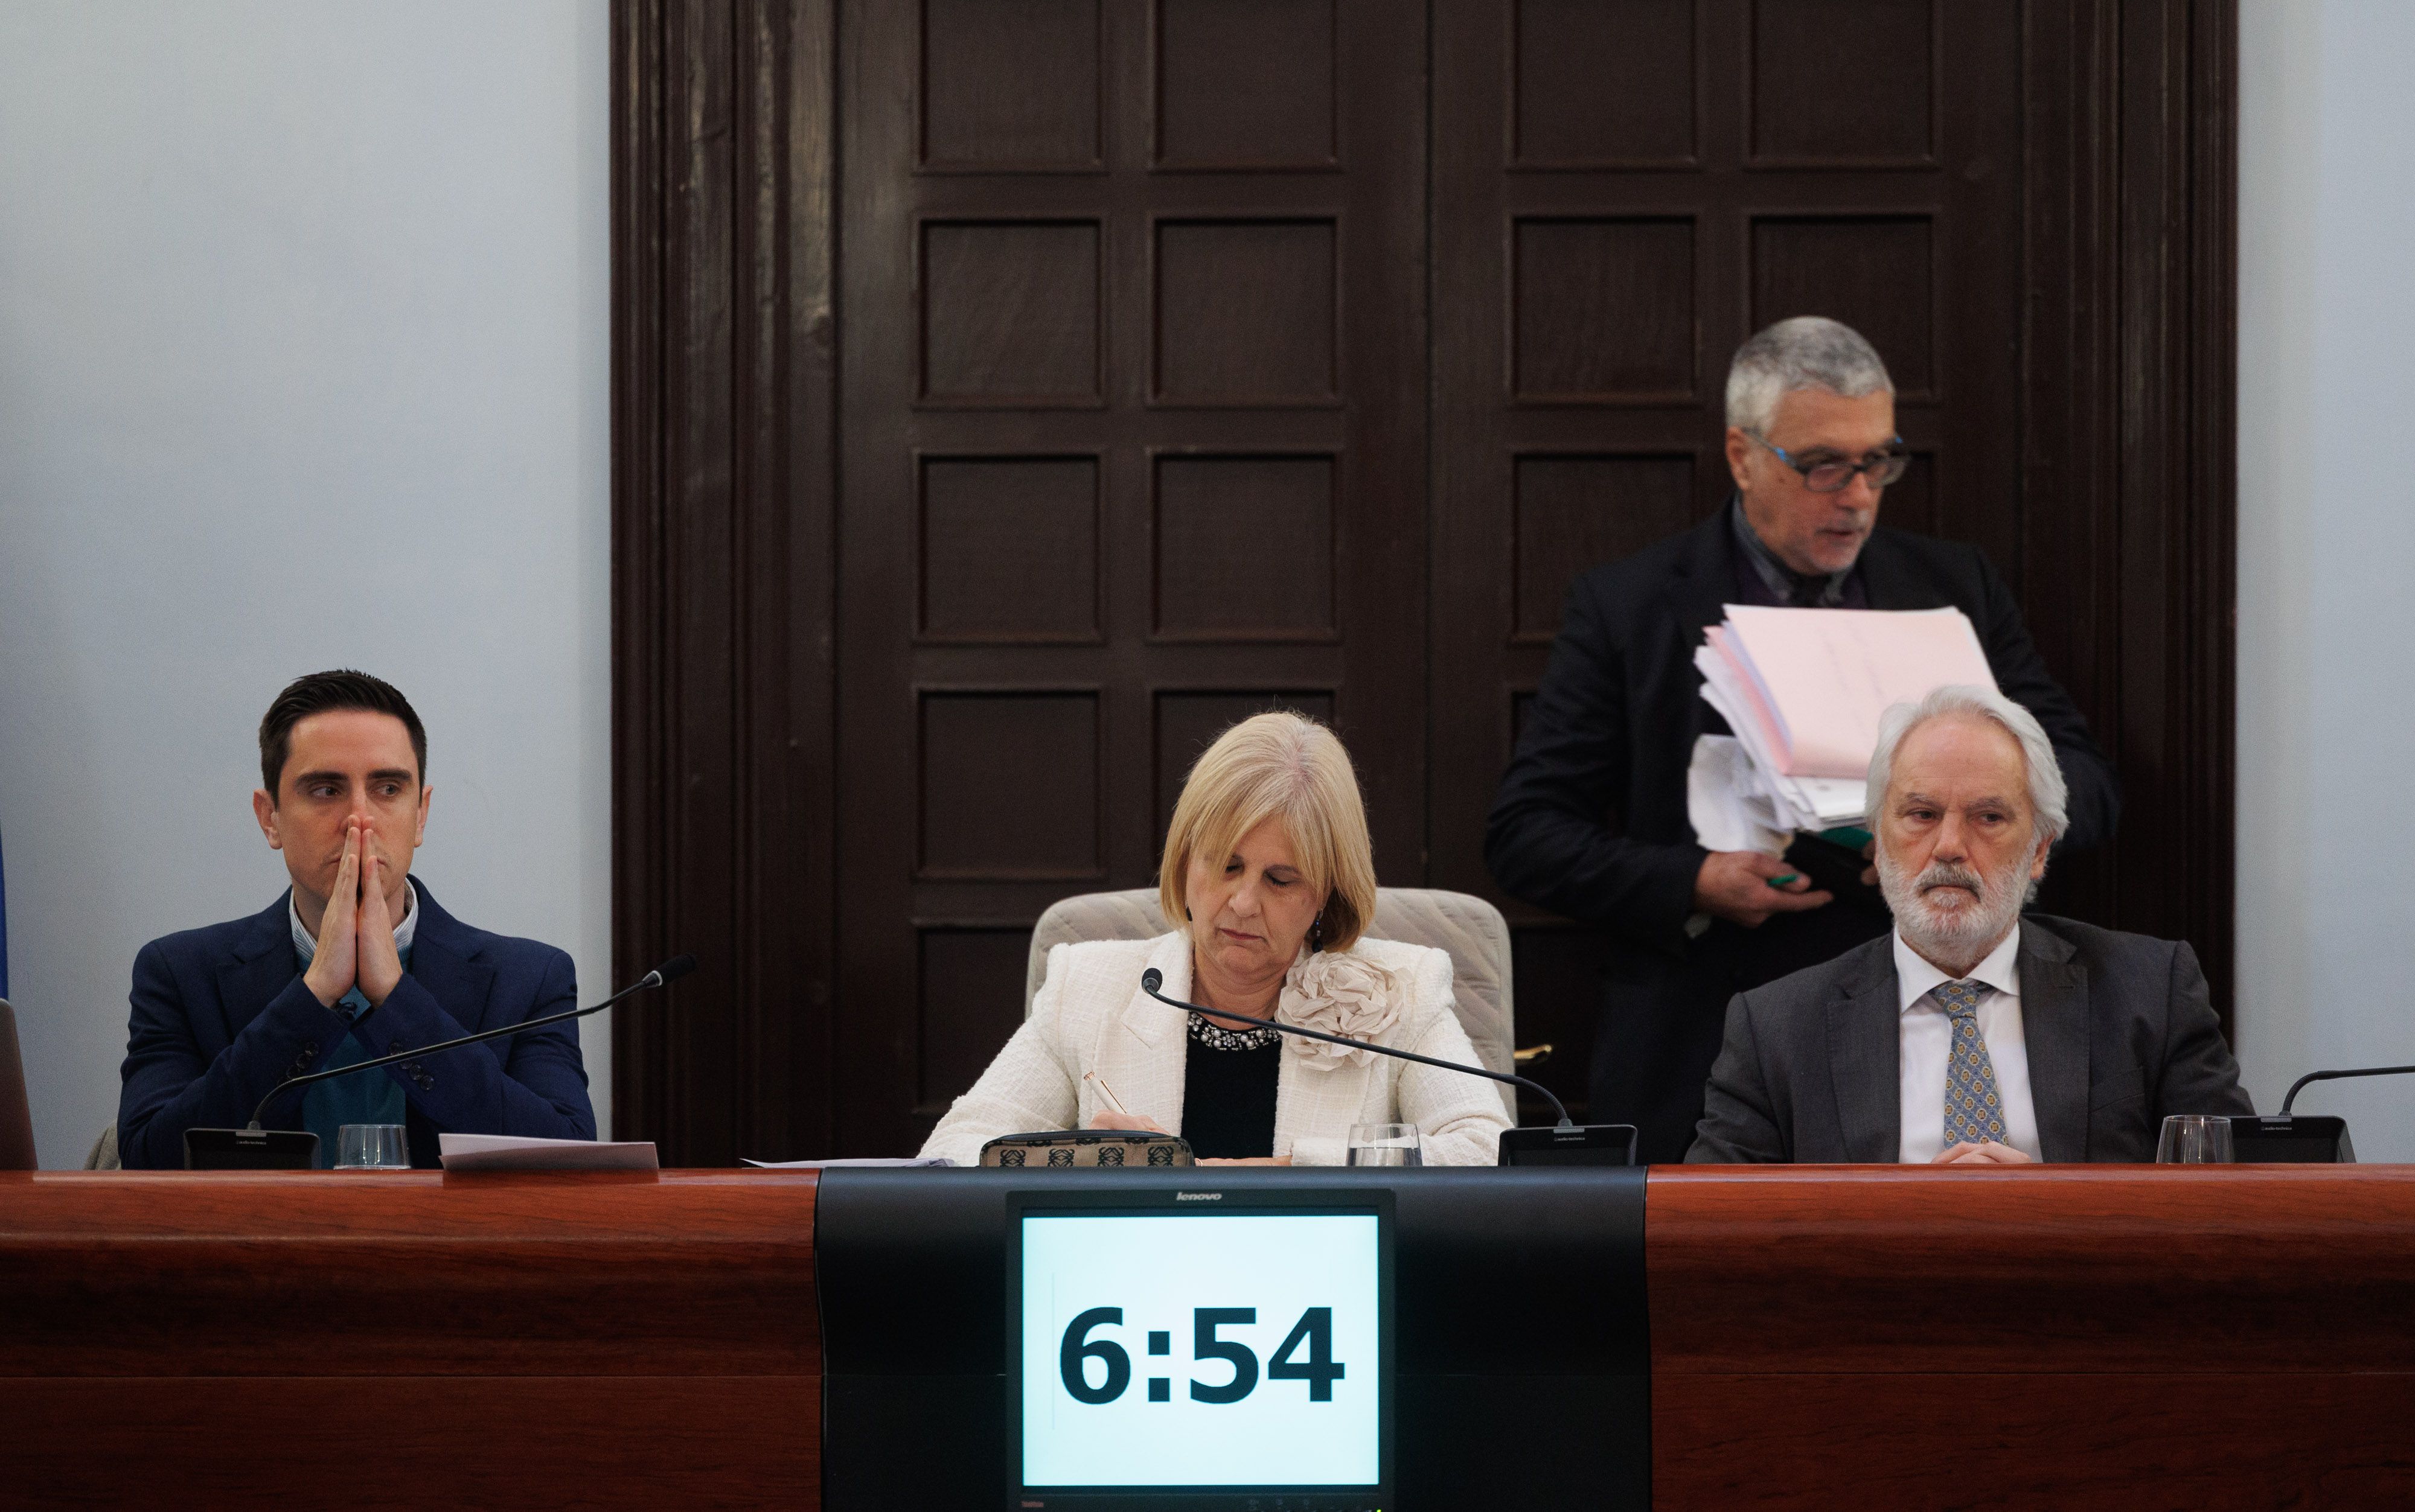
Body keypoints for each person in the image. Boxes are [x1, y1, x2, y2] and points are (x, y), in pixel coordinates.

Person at [1485, 316, 2121, 1163]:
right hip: (1710, 1024)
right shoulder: (1630, 605)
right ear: (1744, 455)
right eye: (1823, 464)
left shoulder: (1951, 586)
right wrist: (1697, 879)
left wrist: (1961, 829)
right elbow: (1526, 831)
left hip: (1928, 1005)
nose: (1856, 493)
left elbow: (2085, 783)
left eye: (1877, 461)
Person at [1685, 685, 2247, 1163]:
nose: (1949, 847)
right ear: (1878, 845)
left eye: (1989, 817)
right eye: (1922, 815)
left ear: (2038, 850)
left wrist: (2051, 1213)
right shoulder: (1776, 1028)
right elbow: (1710, 1234)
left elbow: (2232, 1201)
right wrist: (1919, 1225)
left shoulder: (2150, 990)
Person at [922, 712, 1511, 1166]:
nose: (1243, 902)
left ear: (1324, 896)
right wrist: (1079, 1164)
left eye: (1280, 880)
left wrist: (1284, 1171)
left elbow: (1488, 1152)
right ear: (1183, 864)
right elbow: (952, 1152)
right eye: (1225, 867)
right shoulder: (1088, 988)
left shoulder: (1399, 994)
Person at [117, 669, 594, 1168]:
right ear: (270, 817)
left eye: (388, 788)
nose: (359, 819)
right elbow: (149, 1160)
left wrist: (396, 996)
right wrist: (314, 992)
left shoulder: (530, 979)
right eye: (325, 790)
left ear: (421, 815)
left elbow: (567, 1161)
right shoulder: (178, 973)